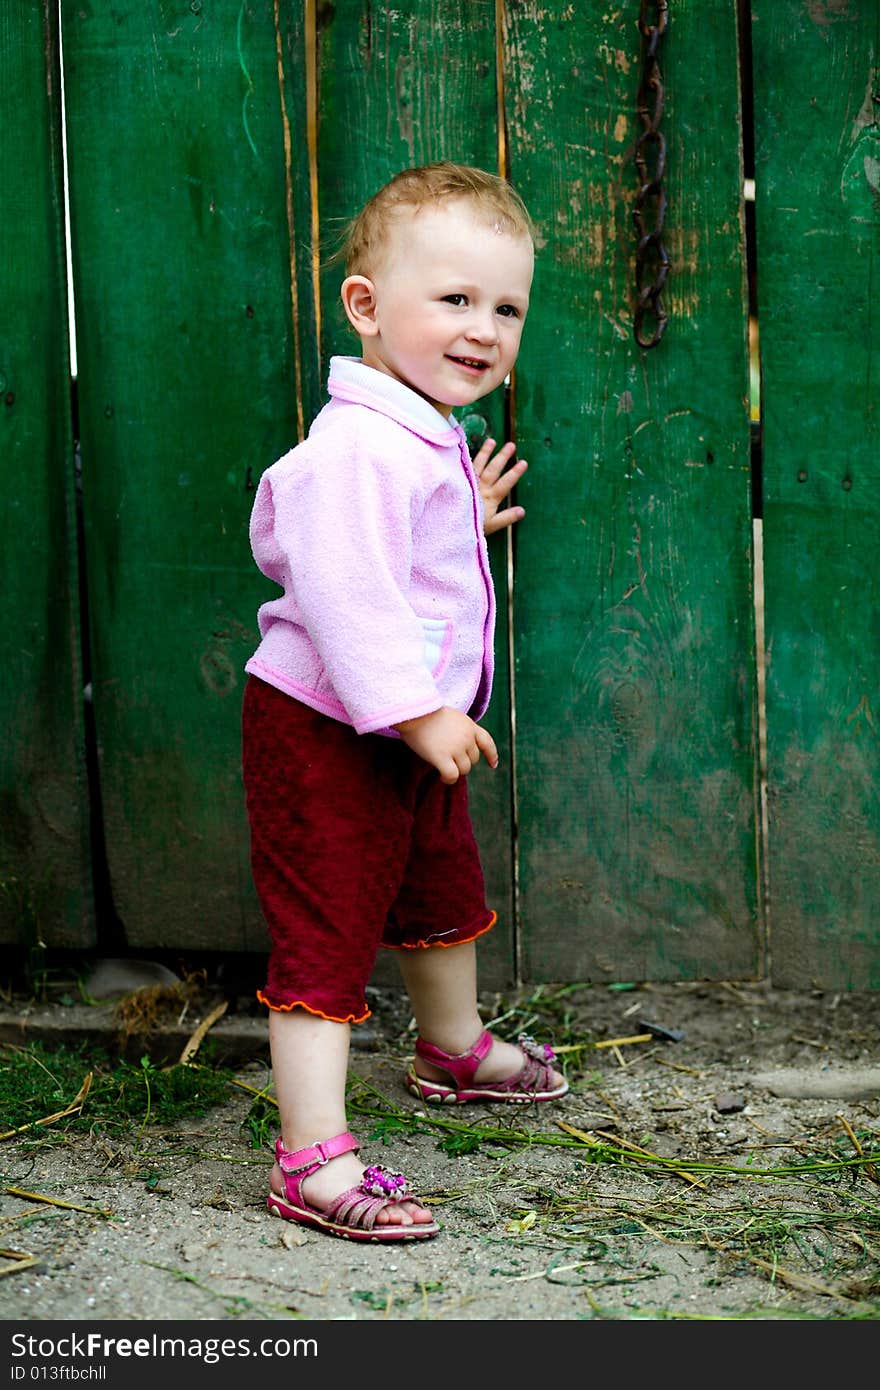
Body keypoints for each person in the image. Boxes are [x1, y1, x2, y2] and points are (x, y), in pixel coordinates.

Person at [241, 160, 567, 1244]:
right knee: (326, 927)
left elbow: (388, 556)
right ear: (368, 308)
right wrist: (417, 711)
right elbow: (339, 586)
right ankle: (312, 1158)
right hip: (336, 729)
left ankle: (451, 1043)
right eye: (455, 299)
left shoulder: (413, 435)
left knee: (438, 884)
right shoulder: (358, 447)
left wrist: (450, 521)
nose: (483, 327)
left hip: (400, 722)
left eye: (505, 306)